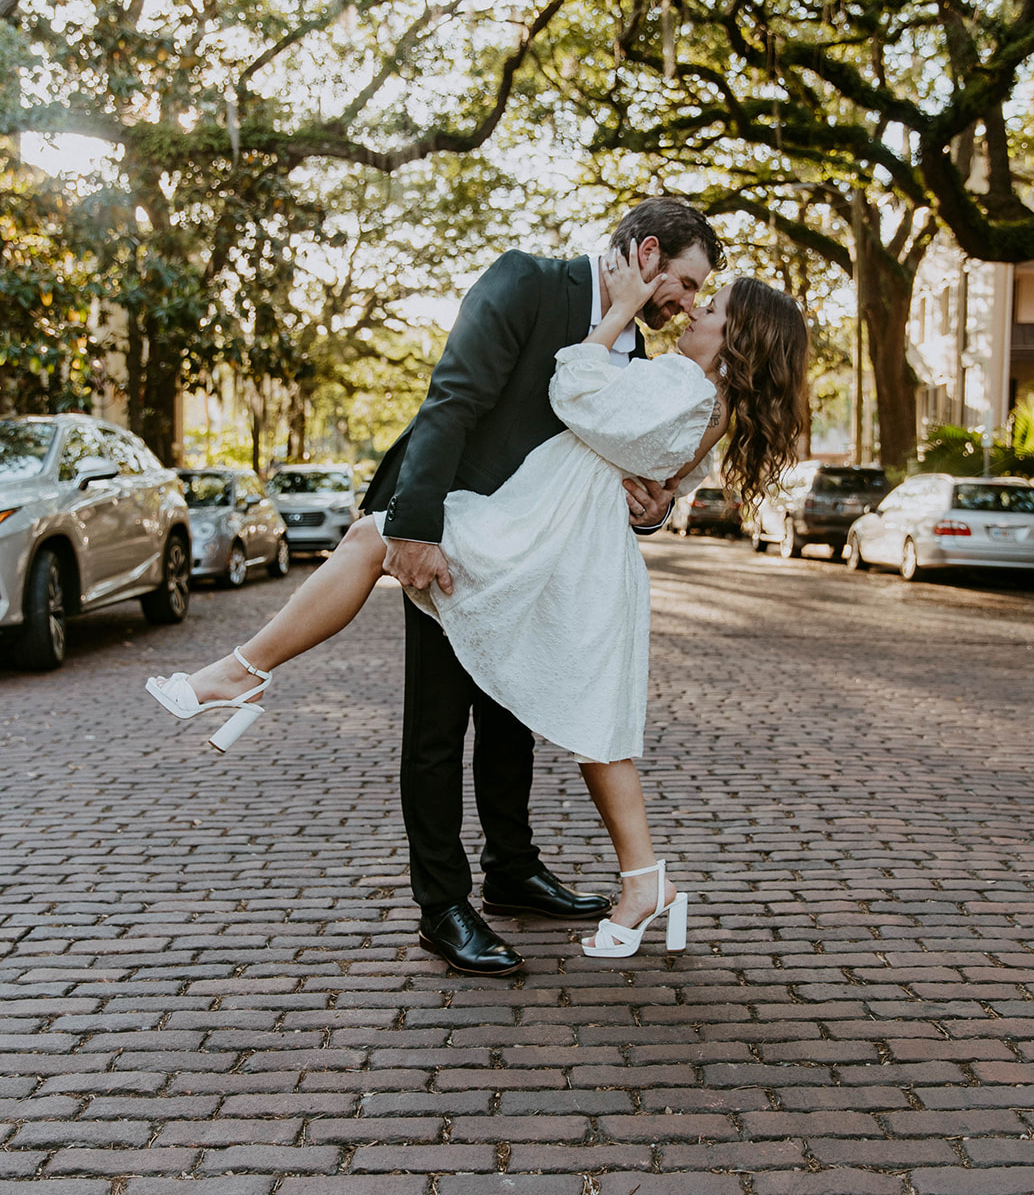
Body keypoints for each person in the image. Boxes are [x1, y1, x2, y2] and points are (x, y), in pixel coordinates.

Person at [146, 246, 808, 970]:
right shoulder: (588, 320)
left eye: (706, 306)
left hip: (540, 540)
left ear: (735, 342)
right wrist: (657, 490)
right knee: (551, 720)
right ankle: (577, 886)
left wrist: (652, 484)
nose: (689, 306)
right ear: (647, 255)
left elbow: (583, 400)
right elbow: (466, 401)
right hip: (527, 529)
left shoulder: (673, 376)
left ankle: (247, 672)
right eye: (688, 288)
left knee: (557, 712)